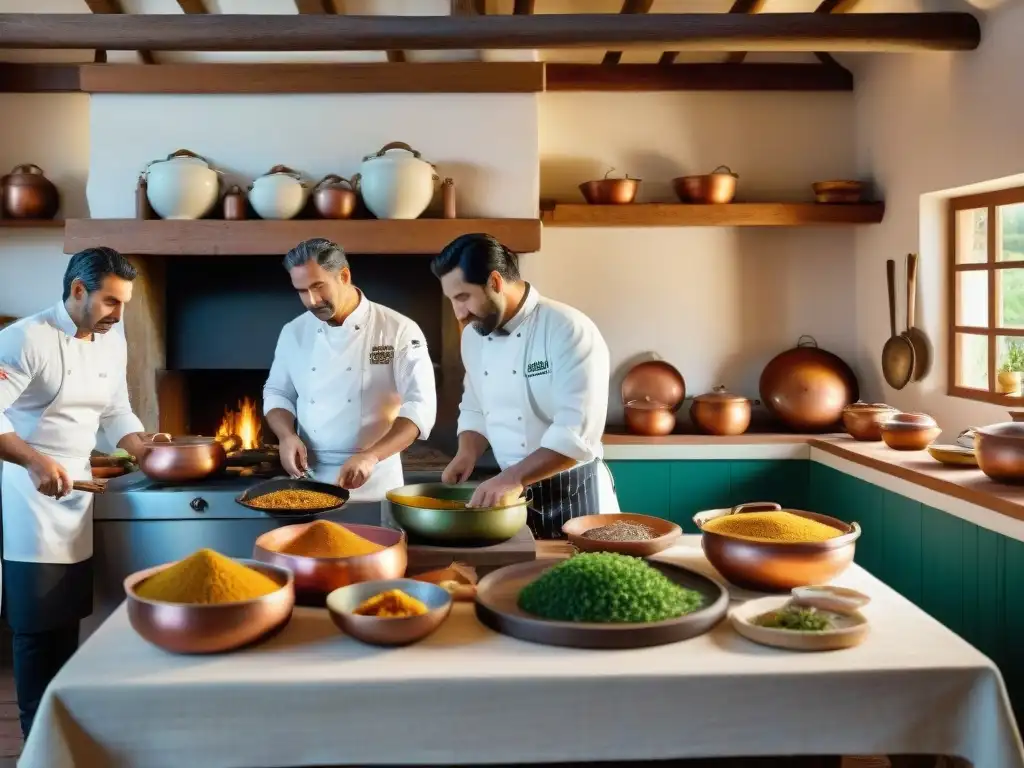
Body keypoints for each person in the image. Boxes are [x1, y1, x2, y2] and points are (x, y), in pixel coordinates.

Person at [0, 247, 155, 738]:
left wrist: (144, 448)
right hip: (27, 488)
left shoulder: (111, 338)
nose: (118, 314)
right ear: (77, 290)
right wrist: (33, 460)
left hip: (79, 486)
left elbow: (115, 411)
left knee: (67, 618)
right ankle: (35, 741)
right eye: (111, 302)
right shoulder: (25, 338)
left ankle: (63, 731)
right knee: (36, 625)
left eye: (124, 302)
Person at [432, 233, 619, 539]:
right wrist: (467, 453)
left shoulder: (567, 329)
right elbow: (476, 405)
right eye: (452, 300)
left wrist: (512, 477)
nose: (459, 313)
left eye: (463, 297)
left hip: (574, 492)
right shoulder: (474, 337)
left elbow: (576, 434)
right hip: (512, 496)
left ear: (495, 282)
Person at [263, 238, 436, 500]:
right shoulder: (294, 332)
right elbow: (278, 392)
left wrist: (370, 456)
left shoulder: (398, 329)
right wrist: (286, 437)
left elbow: (420, 406)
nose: (311, 301)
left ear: (344, 276)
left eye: (318, 287)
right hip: (310, 477)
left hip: (375, 478)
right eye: (301, 291)